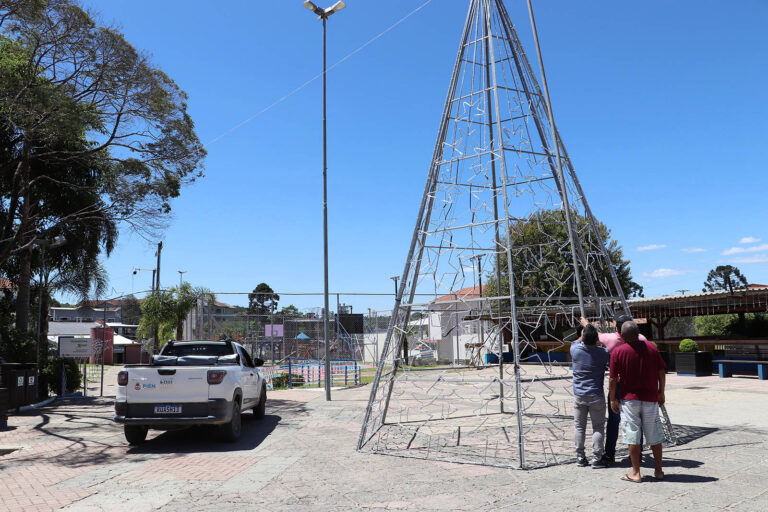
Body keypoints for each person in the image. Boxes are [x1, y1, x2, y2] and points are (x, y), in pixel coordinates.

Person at [609, 321, 666, 483]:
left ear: (621, 334)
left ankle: (636, 472)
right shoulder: (651, 347)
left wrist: (613, 398)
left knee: (633, 435)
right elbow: (661, 370)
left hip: (629, 400)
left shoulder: (618, 352)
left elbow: (613, 379)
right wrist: (661, 391)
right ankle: (659, 470)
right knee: (654, 434)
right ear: (638, 332)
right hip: (650, 398)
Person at [589, 313, 648, 466]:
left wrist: (585, 323)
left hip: (618, 385)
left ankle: (609, 454)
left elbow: (596, 334)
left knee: (614, 421)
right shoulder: (641, 340)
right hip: (637, 385)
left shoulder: (611, 339)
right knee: (636, 420)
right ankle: (638, 453)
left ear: (617, 328)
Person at [570, 323, 610, 468]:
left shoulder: (575, 350)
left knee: (579, 427)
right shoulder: (603, 353)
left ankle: (580, 457)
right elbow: (606, 346)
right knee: (598, 427)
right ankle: (597, 458)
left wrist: (585, 331)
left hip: (579, 394)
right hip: (596, 394)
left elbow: (578, 340)